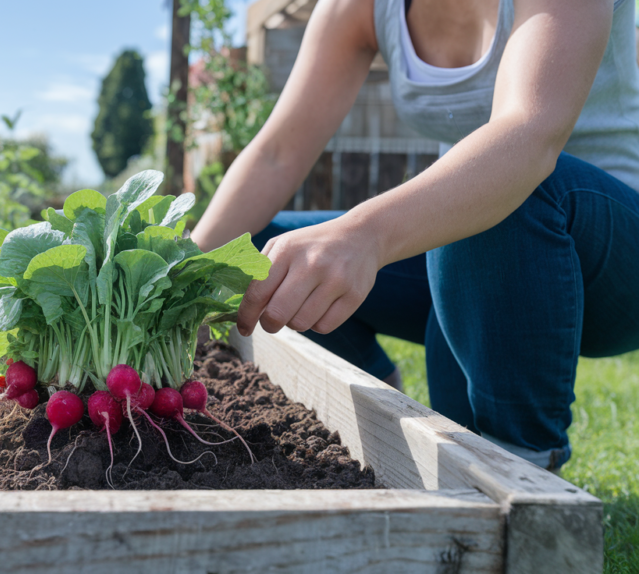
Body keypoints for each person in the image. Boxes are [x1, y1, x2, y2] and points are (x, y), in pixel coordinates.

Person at [191, 0, 639, 471]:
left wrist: (366, 235)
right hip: (470, 256)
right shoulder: (358, 8)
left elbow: (527, 138)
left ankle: (522, 477)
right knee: (252, 250)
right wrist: (186, 278)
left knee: (506, 192)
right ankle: (374, 399)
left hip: (606, 258)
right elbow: (277, 153)